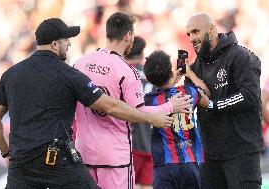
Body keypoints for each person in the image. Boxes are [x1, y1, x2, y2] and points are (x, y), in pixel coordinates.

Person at [0, 18, 180, 189]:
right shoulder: (68, 74)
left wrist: (7, 152)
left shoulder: (11, 74)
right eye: (66, 40)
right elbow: (109, 106)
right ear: (55, 44)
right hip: (57, 160)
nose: (69, 44)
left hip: (22, 163)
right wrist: (149, 117)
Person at [73, 12, 192, 189]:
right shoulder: (126, 72)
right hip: (115, 157)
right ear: (128, 35)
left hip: (84, 154)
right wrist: (170, 106)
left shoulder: (80, 63)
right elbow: (138, 111)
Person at [185, 13, 263, 189]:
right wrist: (177, 79)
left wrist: (213, 105)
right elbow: (189, 102)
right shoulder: (195, 67)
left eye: (196, 31)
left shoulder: (241, 56)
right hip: (209, 154)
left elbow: (249, 95)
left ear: (211, 29)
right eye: (188, 34)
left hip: (241, 151)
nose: (191, 38)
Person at [143, 50, 210, 189]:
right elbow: (206, 94)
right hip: (190, 163)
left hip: (164, 166)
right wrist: (189, 73)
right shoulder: (188, 92)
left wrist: (171, 79)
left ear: (149, 79)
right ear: (170, 71)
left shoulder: (149, 100)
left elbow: (161, 92)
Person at [125, 36, 153, 189]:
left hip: (130, 142)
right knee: (147, 185)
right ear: (142, 55)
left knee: (127, 184)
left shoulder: (123, 73)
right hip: (152, 141)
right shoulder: (152, 76)